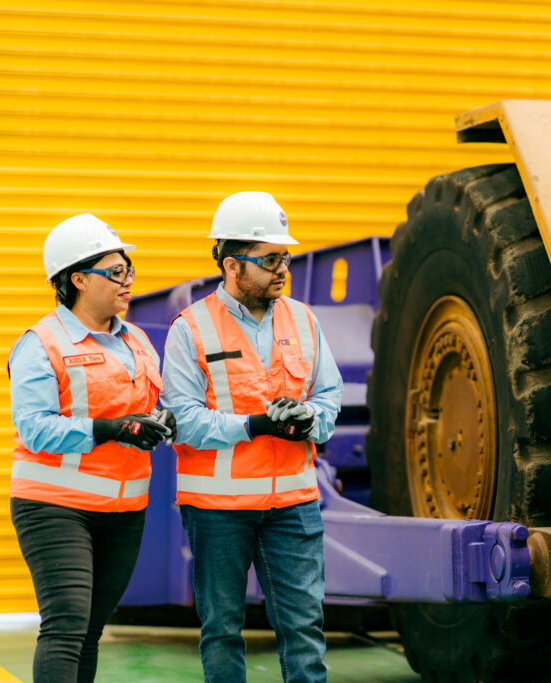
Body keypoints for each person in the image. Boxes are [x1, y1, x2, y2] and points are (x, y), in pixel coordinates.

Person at [162, 191, 342, 683]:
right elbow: (184, 419)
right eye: (270, 260)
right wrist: (254, 424)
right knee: (222, 629)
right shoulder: (190, 329)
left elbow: (328, 394)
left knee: (304, 629)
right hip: (217, 510)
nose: (282, 269)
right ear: (231, 265)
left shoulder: (303, 319)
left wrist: (309, 419)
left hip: (294, 505)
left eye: (286, 257)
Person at [8, 213, 175, 682]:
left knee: (89, 632)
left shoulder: (136, 340)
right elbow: (35, 428)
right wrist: (110, 429)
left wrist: (162, 421)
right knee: (66, 626)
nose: (128, 281)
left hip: (124, 510)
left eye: (129, 270)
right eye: (115, 272)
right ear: (78, 279)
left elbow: (148, 408)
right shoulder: (41, 344)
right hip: (55, 507)